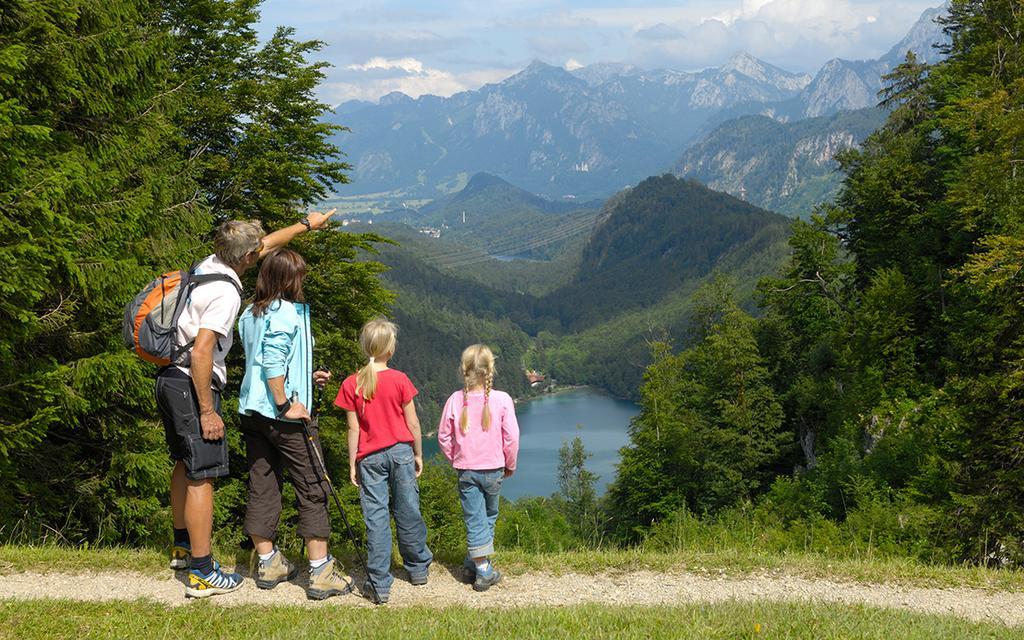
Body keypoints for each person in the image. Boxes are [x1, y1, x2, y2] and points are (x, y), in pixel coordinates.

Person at [158, 209, 335, 599]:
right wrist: (208, 411)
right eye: (255, 249)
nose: (260, 250)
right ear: (245, 259)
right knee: (202, 474)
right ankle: (203, 571)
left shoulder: (210, 266)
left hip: (176, 379)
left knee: (190, 465)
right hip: (197, 384)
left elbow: (268, 244)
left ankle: (184, 548)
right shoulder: (226, 293)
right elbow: (204, 352)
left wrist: (307, 225)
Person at [236, 248, 353, 600]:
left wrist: (307, 376)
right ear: (288, 279)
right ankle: (320, 573)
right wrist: (286, 404)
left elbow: (264, 360)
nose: (303, 279)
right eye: (299, 274)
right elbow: (272, 362)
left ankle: (268, 562)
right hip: (283, 418)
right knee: (312, 484)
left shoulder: (249, 313)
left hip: (252, 413)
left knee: (262, 483)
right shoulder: (285, 312)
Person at [334, 318, 432, 604]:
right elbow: (413, 422)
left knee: (376, 518)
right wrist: (418, 453)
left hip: (370, 458)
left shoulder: (352, 383)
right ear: (390, 350)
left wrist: (353, 462)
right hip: (401, 452)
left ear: (365, 347)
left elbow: (353, 429)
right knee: (408, 509)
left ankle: (379, 583)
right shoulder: (400, 380)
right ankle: (417, 569)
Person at [437, 344, 519, 592]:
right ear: (490, 369)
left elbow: (443, 437)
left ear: (464, 369)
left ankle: (474, 563)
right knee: (488, 516)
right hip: (494, 469)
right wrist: (510, 464)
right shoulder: (502, 399)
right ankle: (483, 570)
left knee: (475, 518)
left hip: (467, 471)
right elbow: (512, 438)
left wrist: (456, 459)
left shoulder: (455, 400)